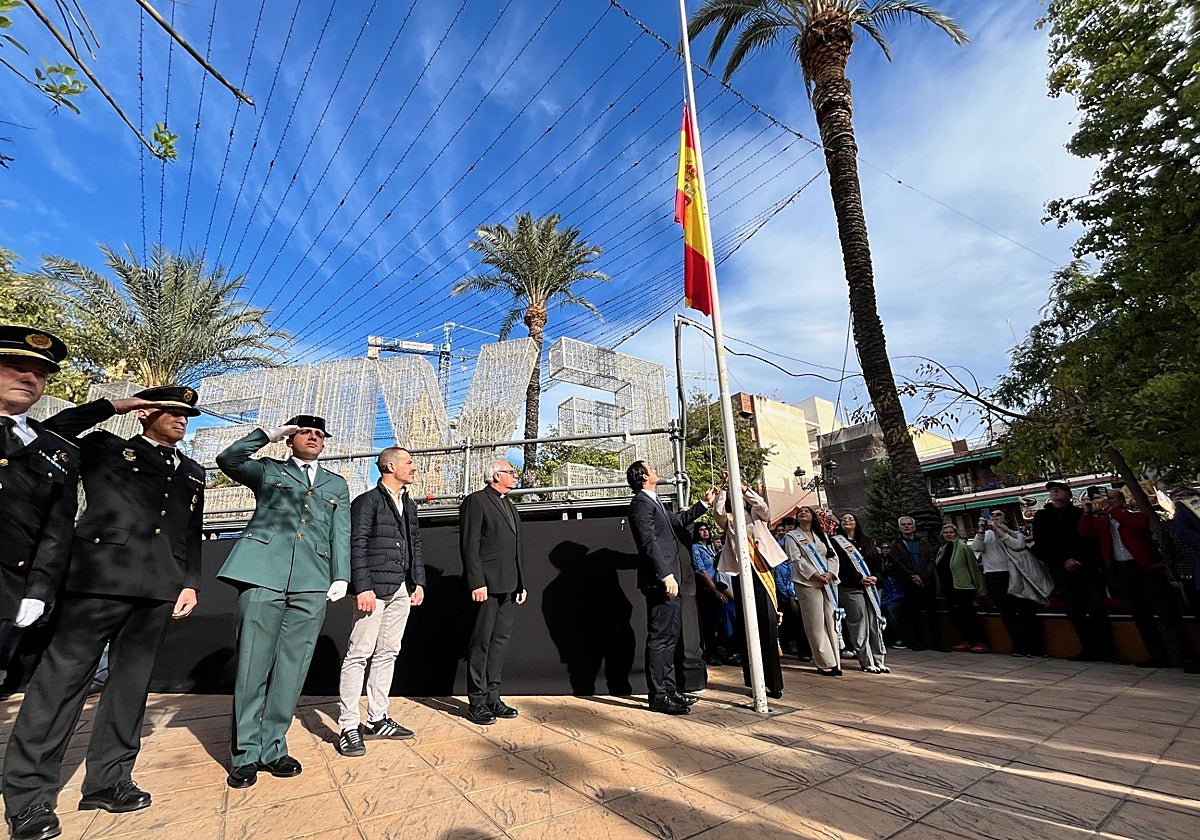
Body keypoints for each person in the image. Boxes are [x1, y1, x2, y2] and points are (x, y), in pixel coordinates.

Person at [3, 385, 203, 840]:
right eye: (170, 411)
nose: (180, 419)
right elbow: (51, 431)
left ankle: (109, 781)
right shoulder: (105, 449)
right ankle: (29, 797)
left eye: (186, 414)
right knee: (61, 686)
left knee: (130, 688)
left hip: (158, 588)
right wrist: (114, 405)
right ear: (144, 414)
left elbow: (191, 531)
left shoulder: (191, 471)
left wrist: (189, 582)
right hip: (98, 581)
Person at [217, 416, 350, 789]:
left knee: (293, 666)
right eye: (305, 432)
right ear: (291, 440)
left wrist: (341, 575)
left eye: (319, 434)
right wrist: (270, 435)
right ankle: (244, 753)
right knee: (252, 666)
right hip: (262, 574)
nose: (313, 438)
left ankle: (273, 746)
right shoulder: (267, 470)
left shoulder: (336, 484)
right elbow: (228, 459)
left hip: (312, 580)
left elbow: (341, 532)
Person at [335, 447, 427, 757]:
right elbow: (355, 544)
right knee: (359, 654)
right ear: (389, 466)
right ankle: (349, 725)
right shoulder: (366, 502)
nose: (414, 467)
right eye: (408, 462)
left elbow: (416, 546)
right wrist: (362, 587)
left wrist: (418, 582)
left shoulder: (409, 505)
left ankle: (377, 718)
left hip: (401, 588)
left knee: (389, 652)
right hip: (373, 589)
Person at [0, 327, 79, 678]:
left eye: (41, 374)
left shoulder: (55, 449)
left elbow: (56, 529)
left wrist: (39, 589)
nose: (30, 377)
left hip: (8, 593)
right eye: (16, 366)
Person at [626, 460, 714, 714]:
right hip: (661, 580)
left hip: (670, 577)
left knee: (670, 637)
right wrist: (665, 574)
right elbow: (648, 541)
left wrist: (704, 504)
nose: (655, 468)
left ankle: (671, 689)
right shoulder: (641, 504)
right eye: (650, 467)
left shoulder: (655, 501)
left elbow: (678, 521)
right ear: (643, 476)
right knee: (660, 638)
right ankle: (658, 695)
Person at [1080, 489, 1199, 671]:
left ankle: (1188, 658)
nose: (1106, 502)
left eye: (1111, 499)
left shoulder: (1136, 516)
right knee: (1140, 616)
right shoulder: (1102, 523)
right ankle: (1157, 655)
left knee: (1168, 615)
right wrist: (1087, 511)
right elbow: (1085, 532)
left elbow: (1135, 526)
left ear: (1121, 501)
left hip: (1147, 570)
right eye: (1105, 500)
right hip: (1122, 571)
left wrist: (1113, 510)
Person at [459, 459, 527, 725]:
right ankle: (476, 701)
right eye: (511, 472)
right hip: (486, 585)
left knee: (499, 642)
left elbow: (516, 548)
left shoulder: (509, 505)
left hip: (509, 586)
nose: (515, 476)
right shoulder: (477, 501)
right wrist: (476, 582)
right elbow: (469, 544)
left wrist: (521, 583)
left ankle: (493, 697)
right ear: (496, 475)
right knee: (482, 642)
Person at [714, 485, 786, 699]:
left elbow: (763, 505)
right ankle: (753, 679)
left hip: (761, 570)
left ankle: (774, 682)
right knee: (746, 626)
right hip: (740, 574)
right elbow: (717, 513)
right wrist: (724, 491)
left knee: (767, 625)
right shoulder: (728, 519)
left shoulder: (755, 514)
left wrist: (743, 489)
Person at [1031, 480, 1115, 661]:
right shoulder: (1042, 517)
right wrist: (1062, 561)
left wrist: (1077, 559)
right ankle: (1089, 648)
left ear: (1069, 495)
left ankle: (1108, 649)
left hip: (1085, 567)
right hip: (1060, 569)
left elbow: (1089, 540)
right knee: (1073, 609)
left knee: (1096, 607)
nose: (1054, 492)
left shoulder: (1080, 514)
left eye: (1059, 489)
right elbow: (1042, 544)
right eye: (1052, 490)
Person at [971, 510, 1047, 657]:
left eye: (998, 515)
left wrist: (1000, 531)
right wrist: (981, 530)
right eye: (992, 515)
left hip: (1013, 574)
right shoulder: (985, 535)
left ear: (1006, 519)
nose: (994, 517)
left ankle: (1035, 647)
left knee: (1025, 610)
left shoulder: (1015, 533)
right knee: (1007, 613)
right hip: (994, 576)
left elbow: (1017, 545)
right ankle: (1018, 646)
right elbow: (976, 548)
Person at [784, 506, 842, 677]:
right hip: (807, 582)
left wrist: (830, 573)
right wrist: (815, 574)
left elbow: (833, 556)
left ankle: (836, 660)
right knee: (815, 623)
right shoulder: (791, 536)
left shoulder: (821, 534)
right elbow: (795, 559)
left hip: (828, 582)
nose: (803, 513)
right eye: (800, 511)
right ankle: (824, 662)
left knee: (831, 621)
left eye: (807, 511)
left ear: (813, 516)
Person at [833, 513, 888, 673]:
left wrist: (875, 577)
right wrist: (859, 578)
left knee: (874, 623)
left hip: (871, 587)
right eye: (843, 520)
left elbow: (877, 562)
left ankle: (879, 660)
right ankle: (866, 661)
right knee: (858, 623)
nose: (847, 521)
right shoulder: (836, 542)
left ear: (857, 522)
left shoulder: (868, 541)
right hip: (851, 588)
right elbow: (841, 565)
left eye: (850, 519)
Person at [889, 516, 945, 651]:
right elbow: (897, 563)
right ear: (900, 528)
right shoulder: (896, 545)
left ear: (914, 526)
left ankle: (938, 643)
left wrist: (923, 577)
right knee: (914, 614)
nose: (907, 526)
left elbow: (932, 561)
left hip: (927, 583)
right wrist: (912, 576)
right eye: (903, 525)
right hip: (909, 584)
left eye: (909, 524)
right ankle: (919, 642)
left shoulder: (924, 542)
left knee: (933, 614)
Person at [936, 524, 988, 653]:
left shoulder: (963, 547)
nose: (948, 534)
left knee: (969, 615)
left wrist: (980, 589)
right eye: (945, 532)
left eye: (951, 532)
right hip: (949, 588)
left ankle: (980, 641)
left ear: (956, 534)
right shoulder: (942, 549)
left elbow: (973, 568)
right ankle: (967, 640)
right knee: (956, 616)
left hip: (963, 587)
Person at [690, 523, 736, 665]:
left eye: (706, 529)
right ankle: (710, 654)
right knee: (708, 624)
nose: (705, 532)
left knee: (720, 622)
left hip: (718, 588)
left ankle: (724, 652)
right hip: (707, 590)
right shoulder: (696, 548)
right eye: (701, 529)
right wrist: (715, 590)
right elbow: (702, 571)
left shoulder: (711, 549)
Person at [773, 517, 810, 661]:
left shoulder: (795, 561)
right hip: (787, 598)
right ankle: (796, 648)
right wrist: (790, 597)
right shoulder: (780, 565)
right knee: (792, 625)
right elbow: (781, 582)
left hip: (801, 594)